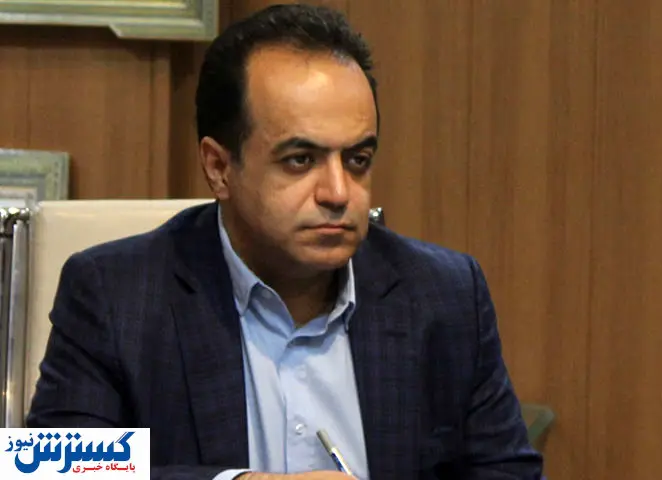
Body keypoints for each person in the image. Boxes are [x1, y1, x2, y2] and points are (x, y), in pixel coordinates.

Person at [26, 3, 543, 479]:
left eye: (357, 160)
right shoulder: (118, 295)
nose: (338, 192)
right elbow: (53, 471)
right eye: (300, 160)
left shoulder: (444, 297)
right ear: (219, 167)